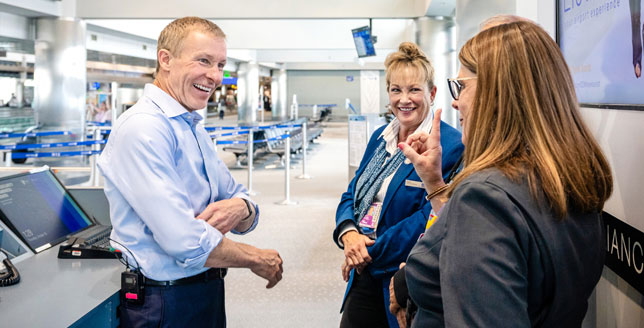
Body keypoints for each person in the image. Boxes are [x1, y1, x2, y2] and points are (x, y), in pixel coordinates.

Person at [394, 21, 613, 327]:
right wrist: (434, 183)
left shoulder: (484, 197)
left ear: (497, 92)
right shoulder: (569, 176)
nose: (455, 101)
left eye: (462, 86)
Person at [97, 17, 283, 327]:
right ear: (166, 59)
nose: (215, 76)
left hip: (204, 288)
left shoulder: (191, 125)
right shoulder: (144, 129)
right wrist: (255, 258)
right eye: (204, 61)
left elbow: (239, 198)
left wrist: (242, 207)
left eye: (221, 64)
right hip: (164, 301)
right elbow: (183, 240)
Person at [333, 42, 464, 328]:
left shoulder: (451, 145)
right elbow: (352, 193)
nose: (404, 99)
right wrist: (349, 234)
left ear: (431, 93)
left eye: (414, 89)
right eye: (396, 90)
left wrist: (364, 253)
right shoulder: (381, 137)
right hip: (363, 270)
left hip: (403, 278)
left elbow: (428, 220)